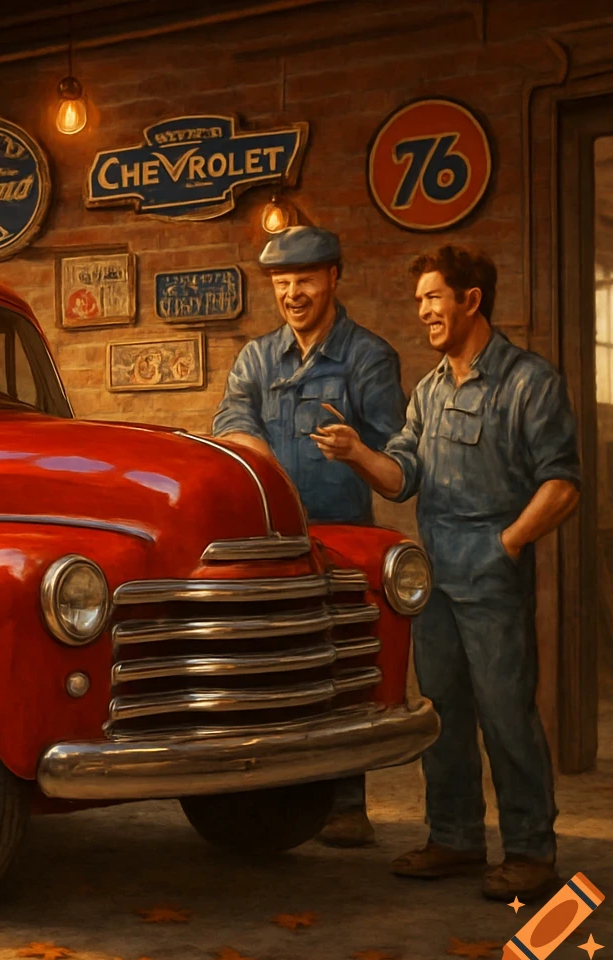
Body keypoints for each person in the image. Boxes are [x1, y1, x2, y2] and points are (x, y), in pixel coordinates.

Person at [312, 245, 580, 901]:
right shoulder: (430, 392)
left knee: (506, 714)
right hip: (434, 570)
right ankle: (456, 837)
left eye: (433, 297)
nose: (423, 310)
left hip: (490, 567)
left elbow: (562, 485)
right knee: (444, 714)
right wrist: (354, 454)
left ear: (470, 300)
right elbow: (402, 478)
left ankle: (530, 852)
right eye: (420, 300)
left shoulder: (528, 382)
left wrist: (508, 544)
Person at [211, 225, 406, 848]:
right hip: (271, 539)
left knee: (341, 665)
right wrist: (254, 449)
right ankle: (268, 796)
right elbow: (232, 417)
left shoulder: (368, 357)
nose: (293, 293)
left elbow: (397, 448)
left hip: (343, 537)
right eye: (282, 282)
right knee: (272, 663)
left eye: (305, 279)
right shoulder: (256, 358)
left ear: (333, 278)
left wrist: (356, 450)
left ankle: (347, 803)